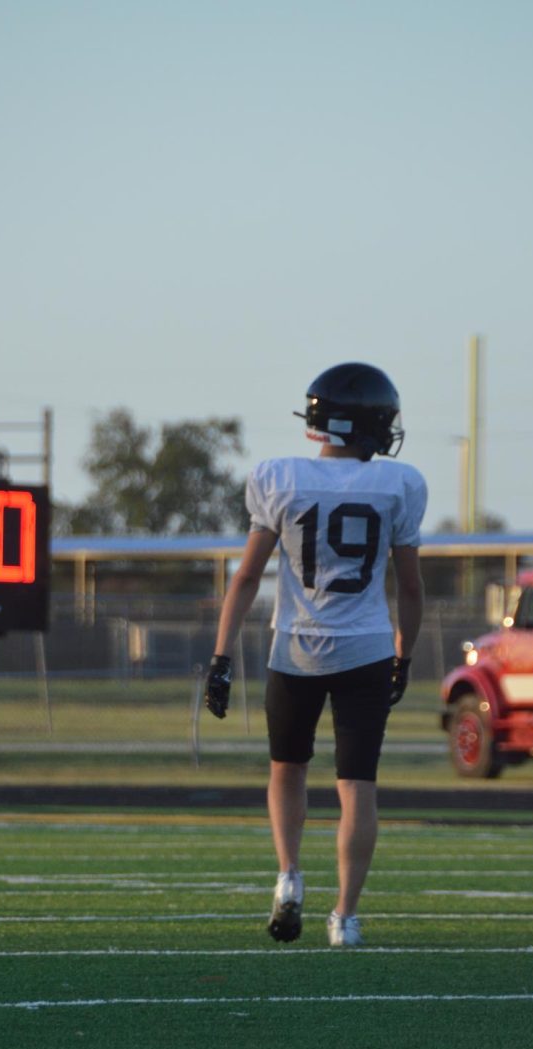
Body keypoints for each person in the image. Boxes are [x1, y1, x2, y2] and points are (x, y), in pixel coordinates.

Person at [205, 362, 427, 948]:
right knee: (357, 785)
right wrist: (406, 653)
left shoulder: (280, 479)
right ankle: (345, 918)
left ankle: (288, 878)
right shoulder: (398, 484)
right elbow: (409, 588)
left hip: (294, 648)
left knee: (287, 768)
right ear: (368, 424)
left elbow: (247, 578)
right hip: (367, 648)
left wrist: (221, 655)